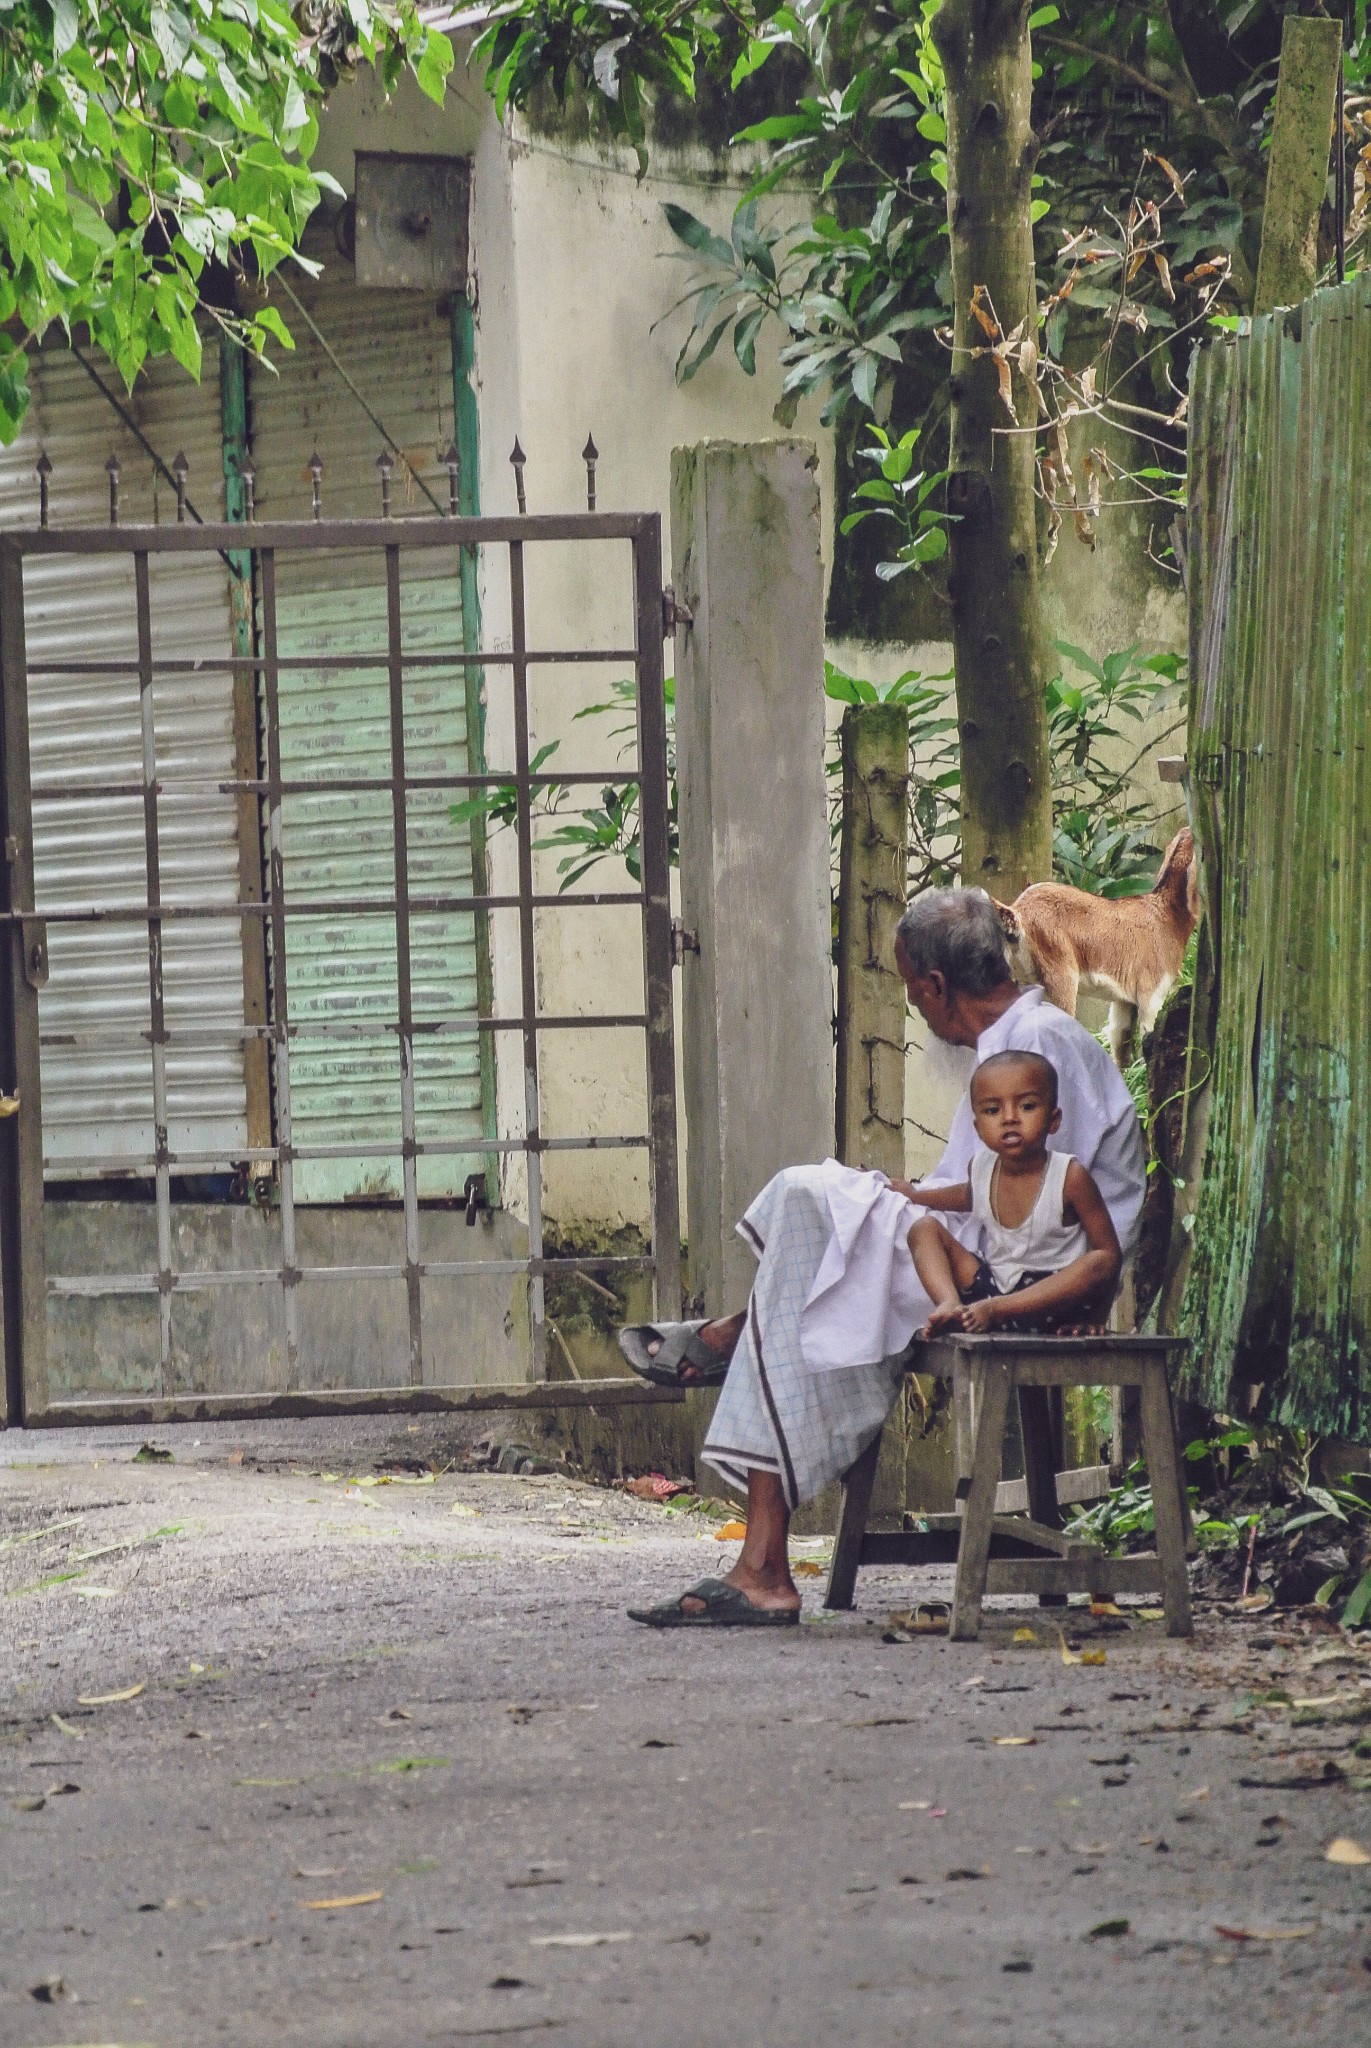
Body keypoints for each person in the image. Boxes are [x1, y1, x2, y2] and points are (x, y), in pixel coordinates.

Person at [623, 886, 1145, 1630]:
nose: (915, 1008)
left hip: (1024, 1277)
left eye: (912, 992)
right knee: (817, 1220)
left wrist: (1073, 1300)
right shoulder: (1017, 1040)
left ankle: (732, 1363)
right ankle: (759, 1543)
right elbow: (973, 1193)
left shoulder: (1039, 1045)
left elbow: (1059, 1213)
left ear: (934, 987)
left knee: (810, 1204)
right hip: (987, 1256)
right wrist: (897, 1195)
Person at [906, 1049, 1121, 1337]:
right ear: (978, 1129)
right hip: (991, 1293)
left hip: (1055, 1304)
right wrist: (916, 1195)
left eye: (1027, 1106)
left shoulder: (1069, 1177)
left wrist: (1098, 1315)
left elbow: (1110, 1255)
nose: (1009, 1119)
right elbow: (968, 1197)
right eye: (993, 1110)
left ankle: (995, 1309)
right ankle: (951, 1304)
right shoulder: (981, 1168)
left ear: (1053, 1119)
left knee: (1098, 1259)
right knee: (923, 1229)